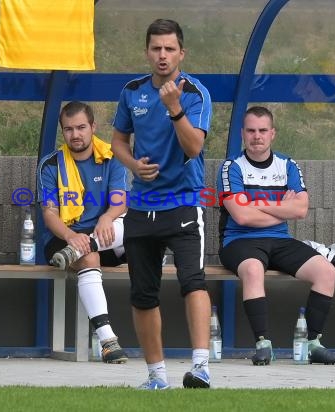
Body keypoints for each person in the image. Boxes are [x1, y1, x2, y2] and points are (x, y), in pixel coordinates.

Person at [111, 19, 213, 389]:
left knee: (193, 281)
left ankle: (201, 366)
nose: (163, 55)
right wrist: (132, 164)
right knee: (142, 293)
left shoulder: (195, 93)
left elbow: (194, 147)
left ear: (181, 53)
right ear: (147, 52)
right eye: (156, 48)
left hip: (184, 203)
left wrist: (174, 108)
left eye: (170, 49)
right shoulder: (132, 91)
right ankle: (156, 376)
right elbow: (118, 141)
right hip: (140, 206)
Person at [216, 106, 335, 366]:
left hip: (280, 241)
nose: (257, 136)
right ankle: (263, 345)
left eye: (263, 130)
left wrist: (257, 204)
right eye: (251, 131)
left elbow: (301, 209)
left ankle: (312, 344)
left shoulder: (287, 165)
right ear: (242, 133)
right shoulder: (232, 167)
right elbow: (241, 217)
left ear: (272, 133)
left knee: (325, 271)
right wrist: (281, 210)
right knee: (253, 269)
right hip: (239, 241)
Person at [37, 101, 128, 364]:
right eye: (68, 129)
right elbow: (50, 214)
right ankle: (108, 340)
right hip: (63, 240)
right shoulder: (51, 164)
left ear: (93, 127)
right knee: (89, 256)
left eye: (81, 127)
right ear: (62, 133)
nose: (75, 135)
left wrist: (107, 217)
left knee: (140, 228)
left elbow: (119, 201)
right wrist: (70, 238)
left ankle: (82, 245)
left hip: (106, 234)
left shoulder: (112, 156)